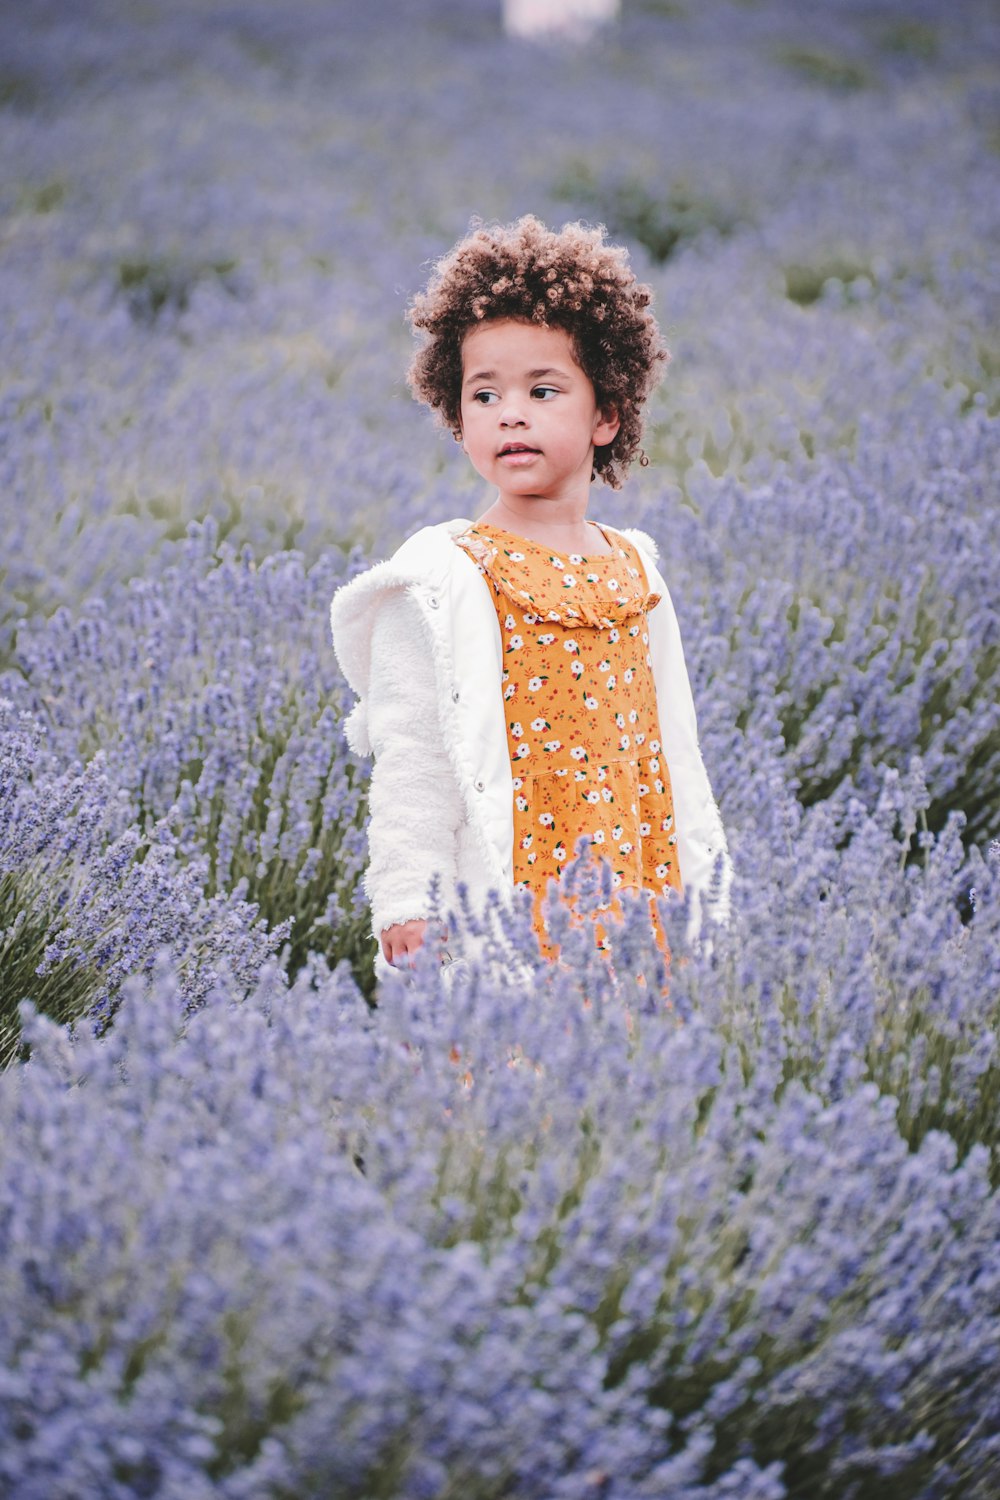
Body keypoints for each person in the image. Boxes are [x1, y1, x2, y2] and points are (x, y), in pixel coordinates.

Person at [330, 215, 730, 978]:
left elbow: (669, 744)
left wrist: (696, 884)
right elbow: (412, 754)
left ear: (607, 414)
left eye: (543, 390)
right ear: (456, 419)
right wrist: (405, 898)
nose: (510, 412)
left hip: (634, 888)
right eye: (484, 394)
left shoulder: (635, 571)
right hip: (509, 905)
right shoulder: (444, 578)